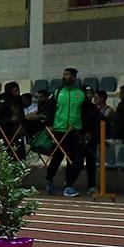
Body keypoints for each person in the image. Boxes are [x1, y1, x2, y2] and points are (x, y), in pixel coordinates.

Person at [45, 67, 89, 196]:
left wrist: (86, 130)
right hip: (59, 130)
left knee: (74, 160)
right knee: (57, 158)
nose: (64, 77)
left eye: (67, 75)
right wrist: (49, 125)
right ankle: (49, 179)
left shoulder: (80, 94)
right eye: (64, 74)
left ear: (74, 77)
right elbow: (49, 109)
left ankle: (69, 185)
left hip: (75, 131)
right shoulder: (57, 92)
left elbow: (86, 113)